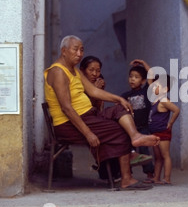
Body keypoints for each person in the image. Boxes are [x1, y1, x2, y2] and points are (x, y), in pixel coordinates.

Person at [44, 35, 160, 190]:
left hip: (88, 116)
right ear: (63, 51)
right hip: (68, 124)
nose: (79, 54)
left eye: (82, 49)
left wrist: (118, 99)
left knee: (119, 109)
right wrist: (88, 134)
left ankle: (135, 136)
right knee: (118, 129)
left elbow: (93, 91)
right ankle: (126, 178)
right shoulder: (58, 72)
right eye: (75, 49)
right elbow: (67, 108)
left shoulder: (74, 71)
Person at [121, 59, 156, 182]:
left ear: (143, 81)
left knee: (144, 151)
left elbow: (151, 73)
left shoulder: (146, 91)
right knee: (127, 151)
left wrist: (142, 62)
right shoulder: (125, 96)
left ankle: (150, 174)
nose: (132, 79)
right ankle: (127, 174)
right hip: (130, 129)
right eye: (131, 76)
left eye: (136, 77)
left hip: (143, 127)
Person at [147, 72, 180, 185]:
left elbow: (176, 110)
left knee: (165, 155)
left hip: (162, 132)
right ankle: (156, 178)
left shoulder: (164, 100)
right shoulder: (155, 100)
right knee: (158, 157)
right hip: (155, 132)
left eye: (157, 86)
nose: (153, 88)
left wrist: (170, 123)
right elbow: (149, 80)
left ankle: (167, 178)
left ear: (165, 89)